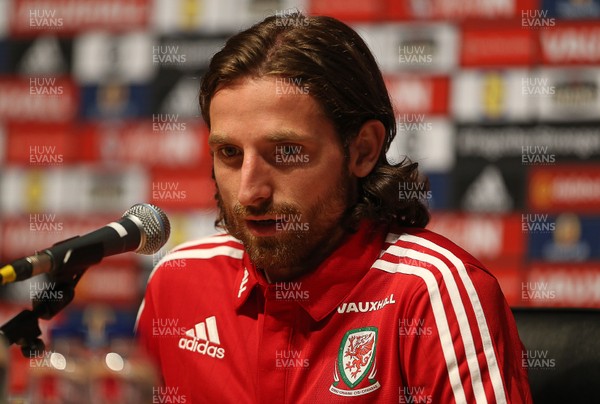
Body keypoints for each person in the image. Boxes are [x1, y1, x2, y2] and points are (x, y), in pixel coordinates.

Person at [136, 11, 532, 403]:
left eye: (286, 152)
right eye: (229, 153)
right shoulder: (178, 281)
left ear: (362, 151)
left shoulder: (431, 294)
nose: (248, 192)